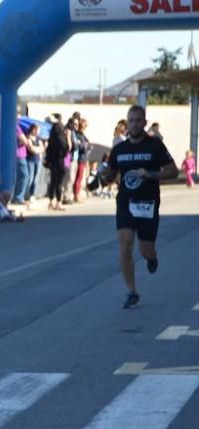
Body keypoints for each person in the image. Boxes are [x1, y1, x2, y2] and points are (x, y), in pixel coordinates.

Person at [101, 105, 178, 309]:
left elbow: (173, 171)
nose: (134, 124)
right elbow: (110, 173)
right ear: (127, 123)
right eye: (131, 120)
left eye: (138, 120)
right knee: (125, 245)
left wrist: (150, 174)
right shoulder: (119, 150)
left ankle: (151, 258)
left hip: (148, 203)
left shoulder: (155, 146)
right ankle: (132, 291)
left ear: (144, 122)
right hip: (126, 202)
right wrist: (105, 175)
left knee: (145, 251)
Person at [44, 118, 69, 211]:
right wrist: (68, 139)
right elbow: (66, 148)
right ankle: (58, 202)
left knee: (53, 182)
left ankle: (51, 202)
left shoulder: (51, 139)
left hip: (52, 162)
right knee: (59, 183)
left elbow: (48, 151)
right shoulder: (60, 138)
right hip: (60, 162)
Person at [25, 123, 44, 203]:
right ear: (32, 129)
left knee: (35, 179)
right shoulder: (28, 137)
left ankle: (32, 195)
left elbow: (42, 148)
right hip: (30, 160)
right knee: (30, 178)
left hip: (37, 160)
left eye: (38, 130)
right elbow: (31, 148)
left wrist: (37, 149)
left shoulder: (38, 139)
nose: (37, 131)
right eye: (36, 129)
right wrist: (37, 149)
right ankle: (27, 194)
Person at [13, 122, 30, 205]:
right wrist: (26, 140)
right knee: (25, 175)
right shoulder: (16, 126)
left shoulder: (15, 126)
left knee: (18, 177)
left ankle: (16, 197)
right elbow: (24, 141)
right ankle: (19, 197)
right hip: (20, 154)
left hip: (17, 154)